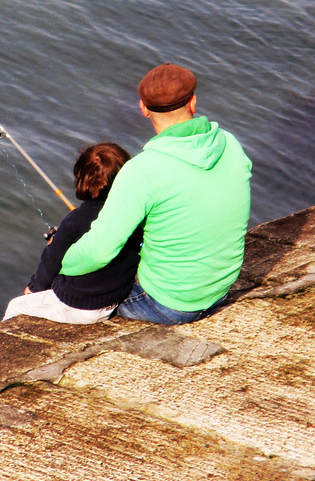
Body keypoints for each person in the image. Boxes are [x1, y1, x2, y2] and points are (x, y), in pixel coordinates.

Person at [60, 63, 252, 325]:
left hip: (165, 304)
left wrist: (60, 262)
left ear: (143, 109)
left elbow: (98, 252)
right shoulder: (231, 144)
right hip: (218, 292)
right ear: (193, 103)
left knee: (74, 288)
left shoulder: (142, 170)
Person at [2, 143, 143, 324]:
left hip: (82, 305)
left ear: (81, 179)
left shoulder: (74, 221)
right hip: (114, 297)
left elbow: (51, 262)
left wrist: (34, 288)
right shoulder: (133, 215)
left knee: (16, 306)